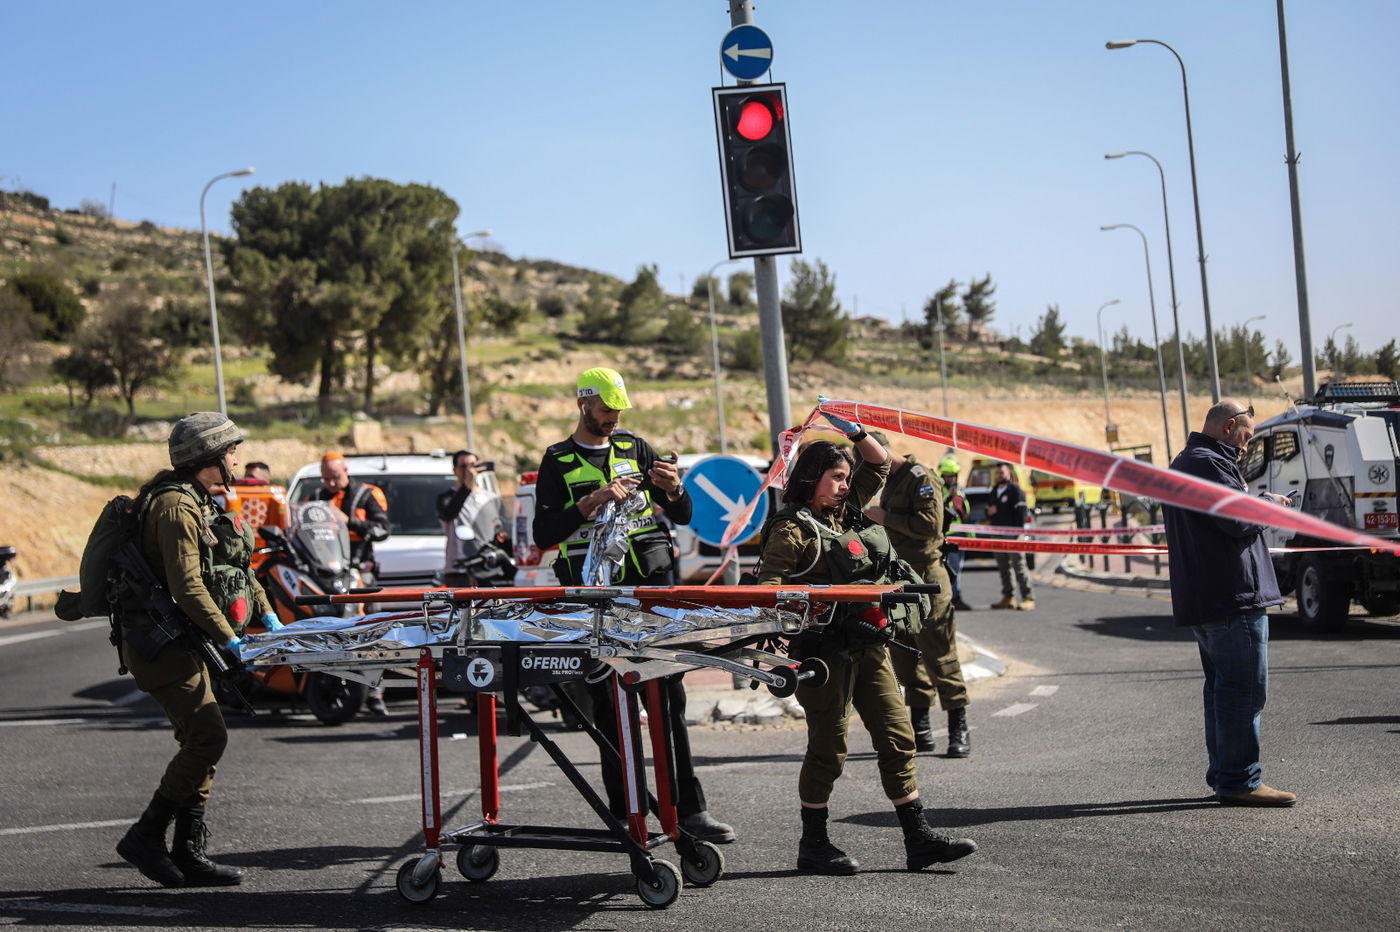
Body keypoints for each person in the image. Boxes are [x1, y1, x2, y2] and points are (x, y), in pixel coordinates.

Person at [756, 411, 978, 875]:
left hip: (869, 646)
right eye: (835, 477)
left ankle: (918, 839)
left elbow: (878, 466)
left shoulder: (848, 511)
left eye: (844, 477)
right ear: (812, 479)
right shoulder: (791, 528)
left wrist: (853, 431)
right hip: (823, 653)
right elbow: (768, 592)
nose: (843, 484)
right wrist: (774, 649)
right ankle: (813, 844)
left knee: (898, 738)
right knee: (828, 750)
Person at [532, 366, 734, 844]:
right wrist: (590, 503)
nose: (613, 420)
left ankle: (690, 809)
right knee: (610, 707)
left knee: (670, 701)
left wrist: (673, 487)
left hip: (651, 599)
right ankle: (628, 811)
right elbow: (543, 535)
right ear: (583, 404)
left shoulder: (636, 447)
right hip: (598, 605)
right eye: (605, 411)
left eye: (618, 411)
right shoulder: (557, 460)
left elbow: (683, 514)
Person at [115, 412, 282, 888]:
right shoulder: (174, 507)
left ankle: (188, 851)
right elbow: (188, 587)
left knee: (202, 738)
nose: (236, 457)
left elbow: (239, 569)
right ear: (208, 456)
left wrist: (268, 618)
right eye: (231, 449)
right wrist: (230, 642)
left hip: (185, 641)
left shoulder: (201, 502)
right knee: (209, 736)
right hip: (159, 643)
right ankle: (146, 837)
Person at [1164, 400, 1295, 807]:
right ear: (1229, 426)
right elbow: (1236, 519)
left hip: (1213, 597)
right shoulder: (1207, 463)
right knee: (1243, 692)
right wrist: (1270, 506)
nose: (1247, 444)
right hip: (1231, 597)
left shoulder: (1190, 461)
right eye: (1247, 434)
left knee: (1223, 690)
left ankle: (1226, 774)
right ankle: (1239, 779)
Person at [863, 433, 971, 758]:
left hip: (926, 575)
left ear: (884, 452)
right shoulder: (892, 480)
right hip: (899, 577)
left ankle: (958, 726)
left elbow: (929, 525)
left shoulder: (920, 477)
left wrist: (885, 518)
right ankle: (921, 728)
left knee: (939, 653)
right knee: (905, 655)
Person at [317, 451, 391, 713]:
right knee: (330, 630)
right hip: (328, 576)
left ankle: (375, 693)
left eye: (335, 477)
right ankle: (330, 685)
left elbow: (383, 529)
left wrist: (352, 523)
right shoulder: (316, 498)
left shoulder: (366, 494)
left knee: (371, 630)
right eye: (326, 479)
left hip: (361, 572)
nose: (331, 484)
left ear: (345, 471)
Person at [436, 449, 507, 587]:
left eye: (473, 465)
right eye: (463, 467)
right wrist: (467, 485)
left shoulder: (490, 498)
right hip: (459, 570)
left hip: (487, 567)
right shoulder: (446, 498)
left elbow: (501, 526)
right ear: (455, 470)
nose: (469, 470)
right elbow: (448, 514)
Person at [987, 462, 1034, 611]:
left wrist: (1016, 533)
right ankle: (1009, 597)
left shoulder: (1015, 491)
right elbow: (988, 511)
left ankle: (1028, 597)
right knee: (1003, 567)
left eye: (1002, 473)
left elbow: (1021, 514)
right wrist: (989, 512)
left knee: (1019, 566)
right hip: (997, 534)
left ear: (1009, 474)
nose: (999, 476)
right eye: (997, 473)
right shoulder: (994, 491)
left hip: (1013, 535)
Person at [938, 455, 973, 612]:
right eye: (948, 475)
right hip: (948, 536)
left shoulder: (960, 491)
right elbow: (940, 508)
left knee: (958, 568)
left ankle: (955, 596)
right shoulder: (939, 490)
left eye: (952, 475)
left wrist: (971, 537)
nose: (950, 478)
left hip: (961, 536)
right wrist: (949, 495)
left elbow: (965, 513)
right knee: (951, 568)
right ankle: (952, 598)